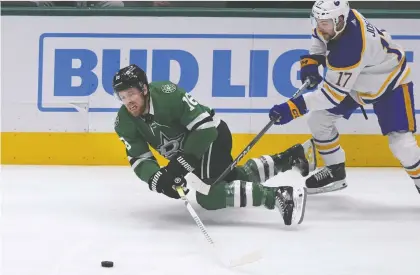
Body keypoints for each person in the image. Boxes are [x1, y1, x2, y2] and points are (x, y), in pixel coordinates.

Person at [113, 64, 316, 226]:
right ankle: (288, 158)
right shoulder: (124, 121)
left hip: (212, 137)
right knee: (231, 178)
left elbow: (205, 127)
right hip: (192, 153)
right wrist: (158, 179)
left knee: (208, 196)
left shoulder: (167, 94)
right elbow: (140, 159)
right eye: (122, 97)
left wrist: (178, 166)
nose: (128, 101)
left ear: (144, 89)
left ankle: (280, 196)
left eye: (131, 94)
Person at [269, 0, 420, 195]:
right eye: (317, 21)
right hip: (358, 82)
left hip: (390, 82)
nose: (319, 26)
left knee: (402, 145)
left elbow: (331, 96)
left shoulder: (350, 47)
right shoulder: (336, 23)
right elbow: (319, 38)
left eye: (324, 23)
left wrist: (293, 107)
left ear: (340, 20)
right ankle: (335, 171)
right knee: (318, 120)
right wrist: (312, 61)